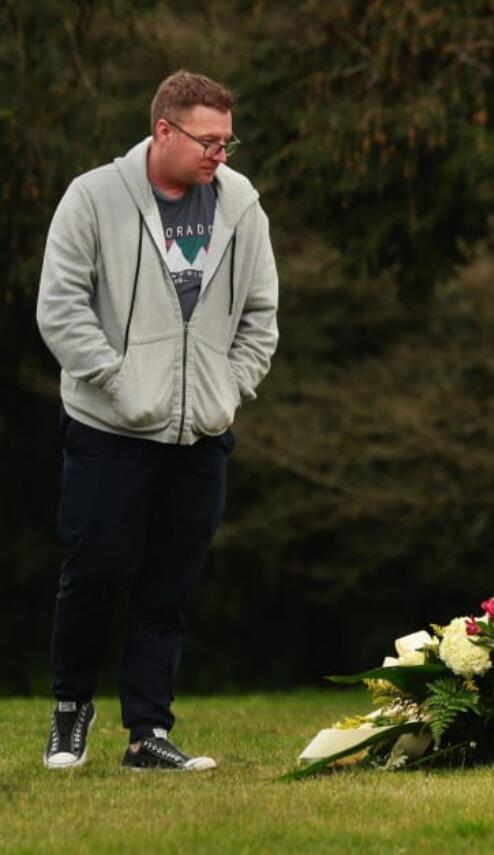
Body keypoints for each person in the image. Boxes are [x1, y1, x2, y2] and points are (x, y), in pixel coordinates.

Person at [36, 70, 278, 771]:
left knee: (169, 585)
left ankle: (147, 732)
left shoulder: (241, 204)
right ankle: (69, 710)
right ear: (163, 130)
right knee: (96, 570)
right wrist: (117, 380)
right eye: (208, 141)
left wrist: (227, 388)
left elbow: (261, 316)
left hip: (201, 432)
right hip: (108, 428)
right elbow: (60, 308)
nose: (220, 156)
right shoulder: (93, 196)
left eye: (228, 142)